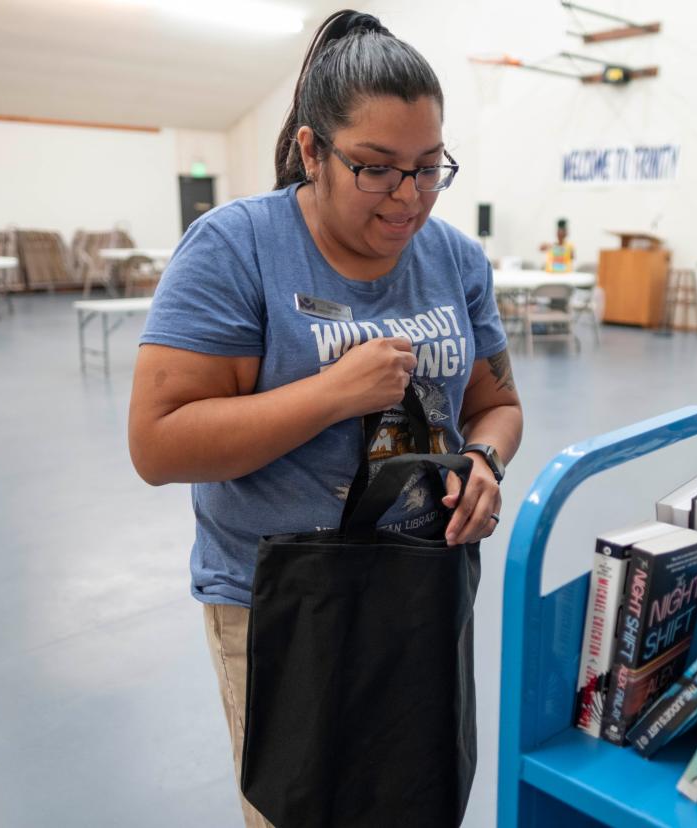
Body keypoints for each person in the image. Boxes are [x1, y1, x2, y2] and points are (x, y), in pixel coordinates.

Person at [127, 10, 523, 826]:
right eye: (377, 169)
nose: (408, 197)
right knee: (301, 809)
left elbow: (497, 405)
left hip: (421, 589)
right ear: (313, 151)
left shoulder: (455, 258)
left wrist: (485, 463)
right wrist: (332, 394)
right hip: (284, 604)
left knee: (417, 796)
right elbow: (158, 443)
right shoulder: (237, 249)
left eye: (427, 167)